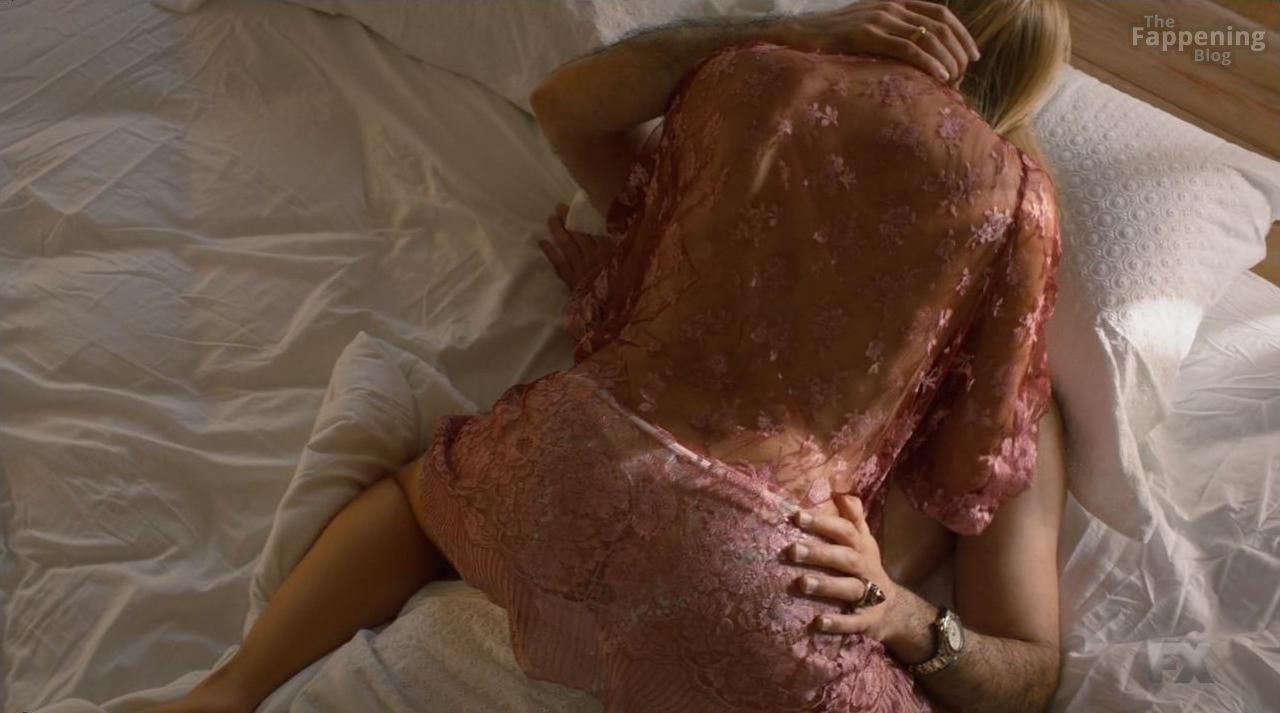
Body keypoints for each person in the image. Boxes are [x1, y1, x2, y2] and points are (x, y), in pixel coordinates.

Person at [144, 1, 1071, 712]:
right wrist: (904, 613)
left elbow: (567, 104)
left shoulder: (751, 104)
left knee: (421, 494)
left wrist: (794, 33)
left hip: (576, 460)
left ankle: (226, 692)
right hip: (772, 578)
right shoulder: (1003, 293)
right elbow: (1028, 675)